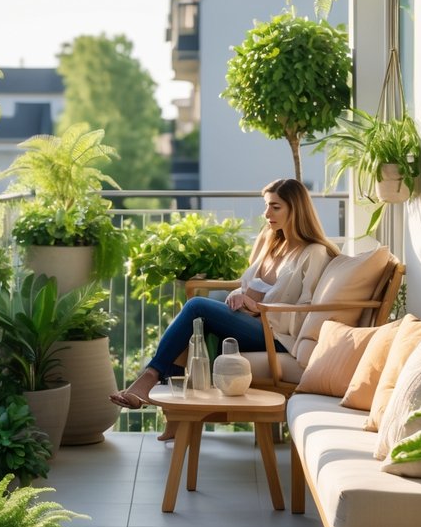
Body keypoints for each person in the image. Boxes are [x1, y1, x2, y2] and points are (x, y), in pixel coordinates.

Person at [110, 178, 339, 434]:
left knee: (197, 307)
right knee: (194, 326)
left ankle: (150, 380)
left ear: (295, 210)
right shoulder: (273, 243)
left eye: (275, 207)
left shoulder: (314, 253)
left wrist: (255, 306)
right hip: (251, 321)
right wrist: (240, 296)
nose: (266, 214)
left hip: (275, 334)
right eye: (266, 206)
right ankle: (175, 413)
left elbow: (306, 311)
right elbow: (246, 284)